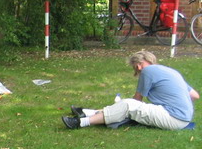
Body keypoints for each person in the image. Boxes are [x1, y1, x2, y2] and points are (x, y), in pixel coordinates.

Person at [62, 50, 199, 130]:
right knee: (129, 106)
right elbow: (194, 95)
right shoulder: (169, 71)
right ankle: (86, 112)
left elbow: (137, 99)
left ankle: (81, 122)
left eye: (135, 67)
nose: (137, 71)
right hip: (183, 117)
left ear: (138, 65)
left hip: (174, 118)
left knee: (128, 105)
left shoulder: (148, 71)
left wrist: (120, 105)